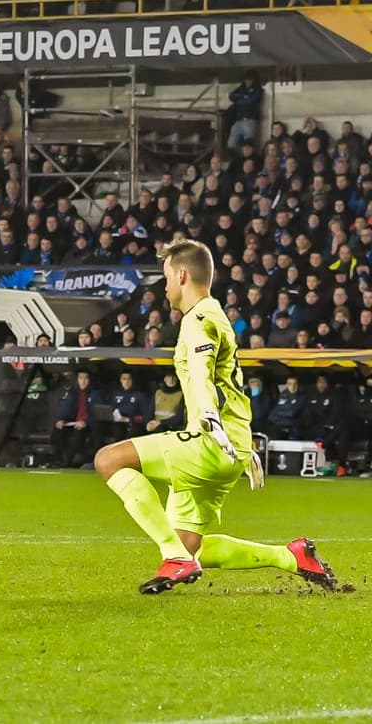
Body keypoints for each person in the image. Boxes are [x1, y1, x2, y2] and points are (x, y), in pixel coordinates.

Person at [94, 238, 336, 594]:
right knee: (192, 545)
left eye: (165, 277)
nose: (163, 286)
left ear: (181, 274)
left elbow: (204, 375)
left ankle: (174, 558)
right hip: (230, 445)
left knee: (108, 460)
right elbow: (230, 384)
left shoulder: (198, 320)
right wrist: (243, 444)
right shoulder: (216, 313)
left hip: (209, 442)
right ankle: (292, 556)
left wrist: (210, 419)